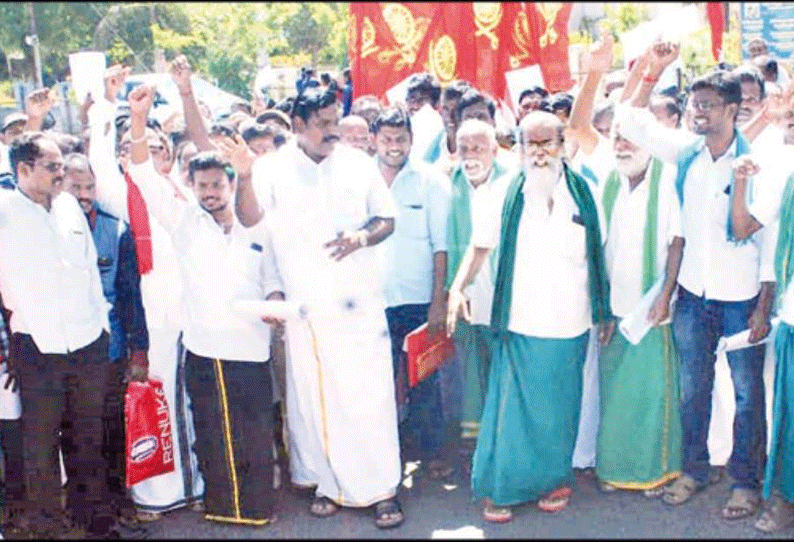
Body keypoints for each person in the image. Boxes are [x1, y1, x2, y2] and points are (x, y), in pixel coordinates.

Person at [614, 44, 774, 520]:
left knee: (747, 396)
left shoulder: (757, 161)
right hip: (693, 297)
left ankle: (745, 482)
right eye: (693, 104)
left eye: (706, 105)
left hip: (741, 300)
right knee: (693, 389)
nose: (696, 112)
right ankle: (695, 470)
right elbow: (629, 120)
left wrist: (763, 305)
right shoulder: (687, 154)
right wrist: (653, 71)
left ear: (731, 109)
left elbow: (766, 241)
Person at [236, 86, 404, 529]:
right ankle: (327, 483)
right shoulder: (270, 169)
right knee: (314, 401)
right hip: (306, 307)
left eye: (335, 120)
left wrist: (361, 237)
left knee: (368, 400)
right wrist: (243, 176)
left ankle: (381, 489)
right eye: (323, 124)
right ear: (297, 127)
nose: (334, 131)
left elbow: (387, 219)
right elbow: (253, 224)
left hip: (359, 305)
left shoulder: (358, 164)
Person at [125, 84, 284, 524]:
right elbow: (142, 176)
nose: (210, 192)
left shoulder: (255, 223)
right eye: (203, 185)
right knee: (212, 433)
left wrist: (274, 300)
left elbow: (271, 275)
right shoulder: (184, 222)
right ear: (191, 186)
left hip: (251, 346)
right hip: (206, 348)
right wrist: (138, 119)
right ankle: (220, 508)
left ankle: (253, 510)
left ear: (232, 184)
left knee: (253, 431)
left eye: (218, 184)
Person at [447, 111, 612, 522]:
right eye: (530, 145)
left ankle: (553, 481)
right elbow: (480, 246)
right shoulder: (502, 192)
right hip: (519, 320)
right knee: (512, 412)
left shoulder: (585, 193)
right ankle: (502, 488)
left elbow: (599, 256)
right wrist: (457, 287)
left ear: (562, 145)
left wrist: (603, 310)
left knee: (559, 410)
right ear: (517, 148)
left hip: (571, 322)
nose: (539, 153)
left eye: (547, 143)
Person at [88, 64, 205, 522]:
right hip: (147, 321)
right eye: (139, 148)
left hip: (188, 314)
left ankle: (193, 483)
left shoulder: (180, 192)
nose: (148, 154)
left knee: (188, 403)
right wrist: (108, 102)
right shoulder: (119, 193)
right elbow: (100, 159)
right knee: (150, 405)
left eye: (158, 147)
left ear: (170, 153)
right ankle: (156, 494)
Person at [0, 132, 115, 538]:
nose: (61, 174)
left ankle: (94, 523)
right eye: (52, 167)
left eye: (62, 166)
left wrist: (101, 326)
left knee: (87, 437)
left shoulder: (68, 206)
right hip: (37, 345)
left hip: (87, 341)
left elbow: (88, 272)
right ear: (24, 169)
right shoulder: (5, 212)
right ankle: (47, 527)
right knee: (41, 446)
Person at [60, 152, 150, 523]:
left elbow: (131, 296)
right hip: (64, 351)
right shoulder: (43, 228)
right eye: (75, 186)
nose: (84, 194)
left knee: (112, 429)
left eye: (89, 186)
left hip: (109, 351)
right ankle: (83, 509)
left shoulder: (115, 230)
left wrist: (138, 350)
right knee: (75, 433)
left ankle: (118, 500)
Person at [373, 106, 453, 480]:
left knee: (423, 380)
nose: (394, 146)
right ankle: (386, 454)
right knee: (379, 379)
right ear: (375, 140)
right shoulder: (362, 179)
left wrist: (439, 301)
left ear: (411, 140)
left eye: (400, 139)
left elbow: (442, 246)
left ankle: (433, 450)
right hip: (373, 299)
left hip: (419, 298)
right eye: (387, 139)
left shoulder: (431, 181)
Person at [729, 142, 794, 533]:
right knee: (790, 421)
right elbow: (742, 227)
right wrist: (739, 182)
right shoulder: (787, 182)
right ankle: (786, 499)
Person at [444, 119, 514, 462]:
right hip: (467, 296)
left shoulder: (514, 183)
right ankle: (477, 445)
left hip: (508, 296)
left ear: (494, 150)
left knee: (506, 369)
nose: (471, 156)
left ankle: (505, 444)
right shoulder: (448, 183)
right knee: (472, 371)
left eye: (478, 148)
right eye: (464, 149)